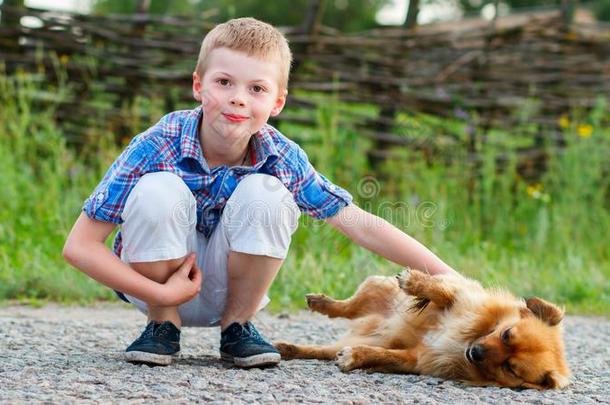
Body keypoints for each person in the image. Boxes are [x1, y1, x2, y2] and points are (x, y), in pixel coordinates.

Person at [63, 17, 459, 369]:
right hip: (155, 287)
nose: (238, 97)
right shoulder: (159, 142)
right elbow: (80, 246)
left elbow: (358, 223)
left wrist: (453, 280)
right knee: (156, 189)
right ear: (199, 86)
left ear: (277, 103)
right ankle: (162, 326)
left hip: (228, 290)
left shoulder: (281, 155)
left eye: (257, 88)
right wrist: (158, 292)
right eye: (224, 82)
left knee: (267, 191)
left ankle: (238, 328)